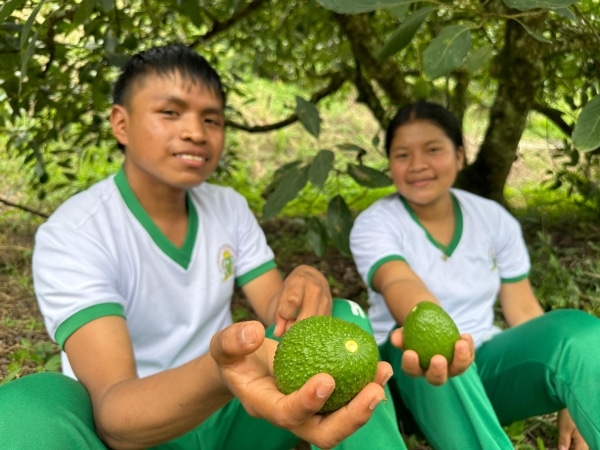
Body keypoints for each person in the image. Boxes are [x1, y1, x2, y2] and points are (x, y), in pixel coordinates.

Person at [349, 100, 600, 450]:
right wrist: (441, 339)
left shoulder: (492, 218)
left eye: (433, 150)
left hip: (483, 369)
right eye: (402, 155)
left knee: (581, 334)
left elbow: (525, 312)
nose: (417, 165)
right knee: (423, 344)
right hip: (402, 378)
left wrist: (573, 386)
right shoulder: (376, 222)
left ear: (460, 155)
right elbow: (397, 281)